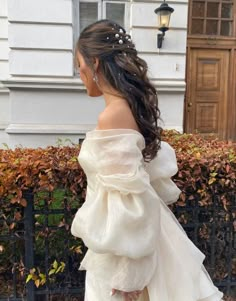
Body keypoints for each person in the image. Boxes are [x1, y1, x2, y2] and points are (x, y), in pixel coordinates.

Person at [71, 19, 224, 301]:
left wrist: (131, 274)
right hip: (136, 242)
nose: (77, 71)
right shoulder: (129, 108)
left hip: (127, 254)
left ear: (94, 63)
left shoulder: (113, 115)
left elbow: (132, 201)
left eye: (78, 63)